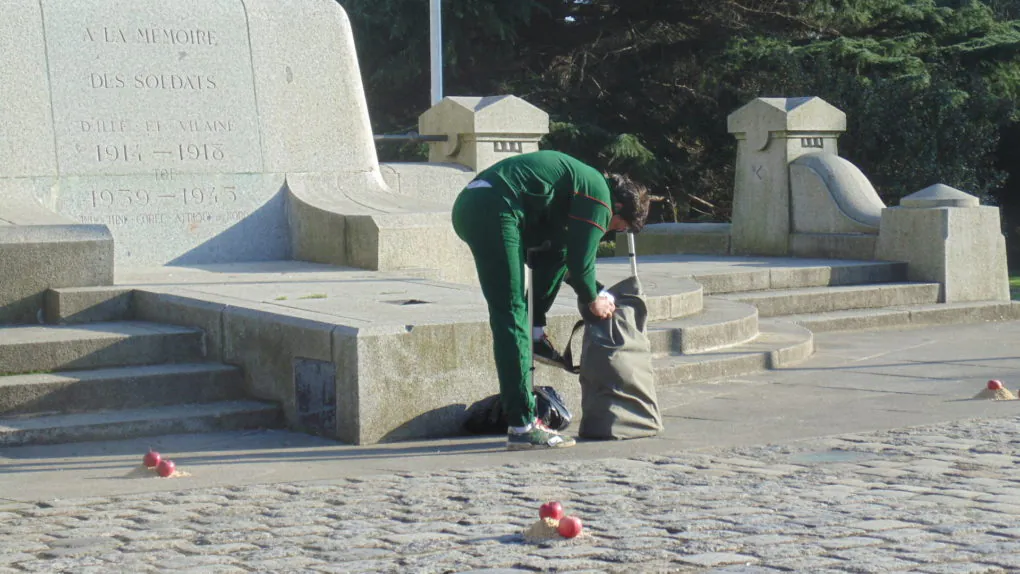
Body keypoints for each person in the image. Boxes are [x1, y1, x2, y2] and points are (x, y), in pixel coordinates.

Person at [451, 149, 651, 451]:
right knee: (510, 313)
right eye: (618, 226)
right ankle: (522, 425)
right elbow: (582, 261)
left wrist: (595, 290)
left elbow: (565, 258)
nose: (611, 233)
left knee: (555, 252)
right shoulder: (599, 197)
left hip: (479, 202)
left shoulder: (582, 185)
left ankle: (535, 331)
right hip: (493, 209)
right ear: (618, 206)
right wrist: (593, 298)